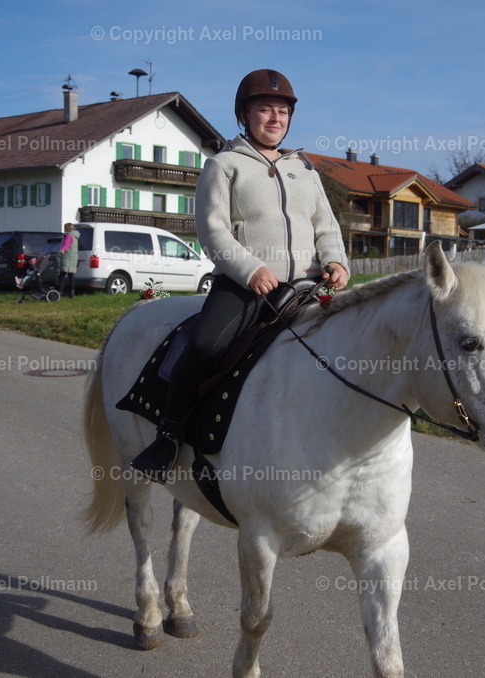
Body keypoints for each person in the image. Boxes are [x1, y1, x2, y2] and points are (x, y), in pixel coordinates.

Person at [130, 68, 350, 481]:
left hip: (307, 286)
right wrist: (251, 270)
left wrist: (336, 260)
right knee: (205, 347)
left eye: (282, 111)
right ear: (244, 116)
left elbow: (326, 226)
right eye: (264, 109)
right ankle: (168, 436)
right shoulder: (224, 165)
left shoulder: (305, 169)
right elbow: (211, 231)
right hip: (246, 287)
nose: (275, 118)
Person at [57, 223, 79, 298]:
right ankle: (72, 293)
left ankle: (60, 292)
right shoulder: (75, 236)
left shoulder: (68, 236)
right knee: (71, 275)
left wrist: (62, 250)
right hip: (73, 257)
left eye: (65, 228)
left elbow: (66, 244)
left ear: (67, 228)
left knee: (62, 276)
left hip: (67, 257)